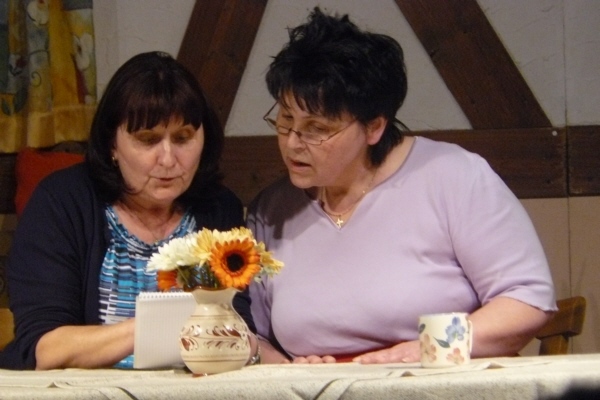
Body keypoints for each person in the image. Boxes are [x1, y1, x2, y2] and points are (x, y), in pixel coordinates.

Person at [247, 8, 557, 364]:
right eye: (285, 120)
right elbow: (257, 336)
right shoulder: (272, 210)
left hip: (439, 378)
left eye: (316, 129)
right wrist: (293, 369)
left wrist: (425, 349)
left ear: (374, 127)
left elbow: (527, 299)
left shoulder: (453, 176)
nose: (292, 143)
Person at [0, 51, 257, 370]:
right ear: (112, 144)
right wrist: (160, 325)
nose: (168, 159)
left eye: (183, 138)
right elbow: (46, 348)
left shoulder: (218, 208)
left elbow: (240, 331)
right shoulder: (62, 202)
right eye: (148, 140)